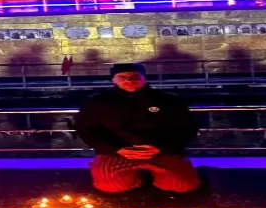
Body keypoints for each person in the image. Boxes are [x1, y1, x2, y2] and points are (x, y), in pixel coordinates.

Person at [75, 62, 201, 193]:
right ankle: (134, 182)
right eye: (122, 77)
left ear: (144, 78)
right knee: (109, 185)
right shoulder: (97, 102)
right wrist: (115, 149)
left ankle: (165, 180)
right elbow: (86, 129)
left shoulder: (169, 100)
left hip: (161, 151)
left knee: (182, 184)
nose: (129, 80)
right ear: (114, 80)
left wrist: (162, 147)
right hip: (117, 152)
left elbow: (187, 127)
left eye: (134, 77)